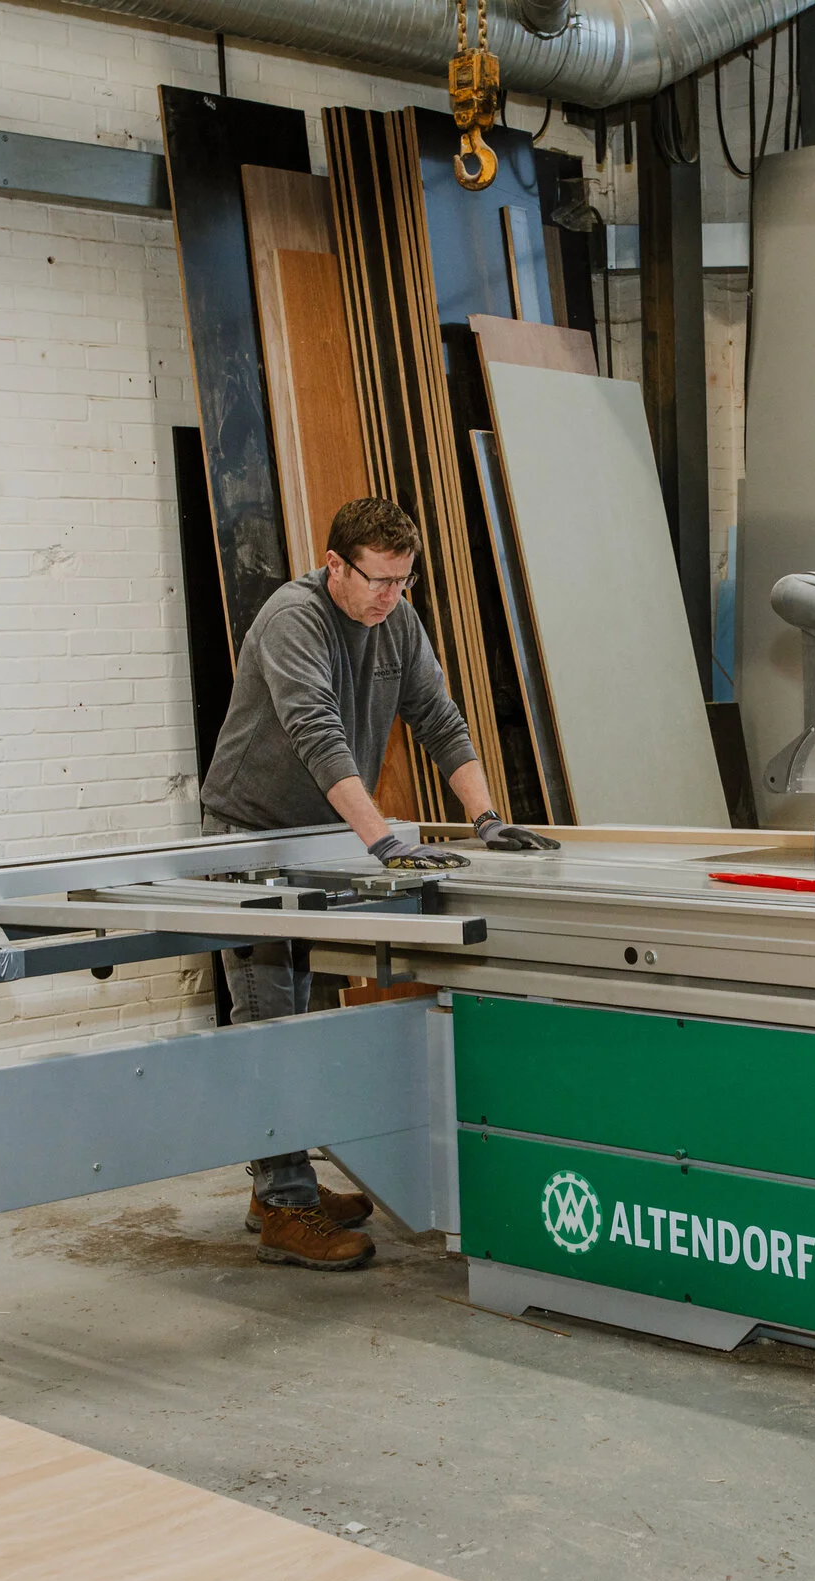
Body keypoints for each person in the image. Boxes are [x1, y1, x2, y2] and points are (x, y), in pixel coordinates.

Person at [199, 495, 558, 1272]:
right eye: (378, 580)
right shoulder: (294, 619)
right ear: (335, 565)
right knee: (272, 1017)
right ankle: (285, 1209)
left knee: (316, 1008)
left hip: (324, 835)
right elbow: (317, 734)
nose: (391, 596)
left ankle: (283, 1183)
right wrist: (386, 842)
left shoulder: (396, 619)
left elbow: (437, 715)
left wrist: (488, 815)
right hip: (251, 831)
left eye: (405, 580)